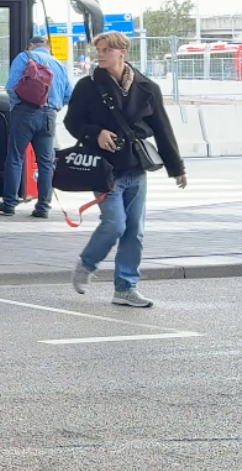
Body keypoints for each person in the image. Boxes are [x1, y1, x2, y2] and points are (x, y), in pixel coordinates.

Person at [66, 31, 186, 308]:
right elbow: (72, 123)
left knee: (134, 230)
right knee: (115, 224)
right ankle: (86, 263)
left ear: (123, 52)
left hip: (136, 167)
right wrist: (95, 133)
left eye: (106, 50)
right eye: (99, 50)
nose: (101, 54)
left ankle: (125, 288)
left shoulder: (147, 87)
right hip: (104, 168)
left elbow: (162, 129)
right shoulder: (88, 86)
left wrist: (176, 167)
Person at [0, 35, 70, 218]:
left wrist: (17, 105)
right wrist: (53, 106)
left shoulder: (25, 57)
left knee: (15, 157)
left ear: (31, 45)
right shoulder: (60, 65)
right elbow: (69, 95)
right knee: (46, 162)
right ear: (47, 47)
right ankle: (43, 207)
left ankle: (9, 203)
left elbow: (11, 87)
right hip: (48, 116)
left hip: (24, 113)